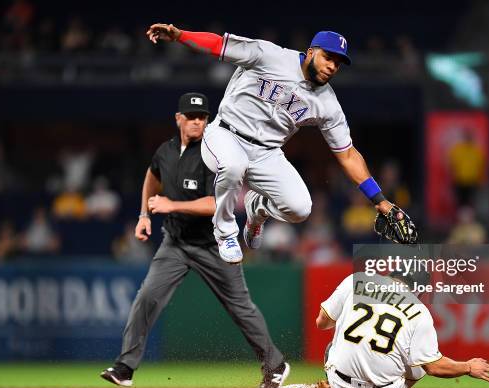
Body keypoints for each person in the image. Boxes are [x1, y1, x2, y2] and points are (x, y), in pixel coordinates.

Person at [146, 24, 408, 263]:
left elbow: (348, 155)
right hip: (225, 133)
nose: (332, 66)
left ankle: (257, 208)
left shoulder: (327, 104)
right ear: (311, 52)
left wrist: (380, 201)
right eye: (328, 58)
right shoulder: (269, 55)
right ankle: (225, 231)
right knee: (234, 165)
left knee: (300, 209)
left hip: (266, 153)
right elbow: (217, 45)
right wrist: (180, 36)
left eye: (338, 64)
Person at [100, 93, 289, 388]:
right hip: (174, 244)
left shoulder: (215, 154)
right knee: (147, 297)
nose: (197, 121)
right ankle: (125, 368)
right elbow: (152, 175)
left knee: (240, 308)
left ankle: (275, 365)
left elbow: (217, 203)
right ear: (179, 119)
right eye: (191, 116)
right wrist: (143, 214)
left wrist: (170, 205)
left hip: (213, 244)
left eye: (202, 116)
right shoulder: (166, 151)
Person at [315, 271, 489, 388]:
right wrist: (467, 367)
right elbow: (434, 368)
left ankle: (331, 384)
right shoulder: (420, 312)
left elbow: (321, 322)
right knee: (421, 360)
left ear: (391, 275)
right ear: (418, 290)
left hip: (339, 385)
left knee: (334, 345)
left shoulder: (357, 280)